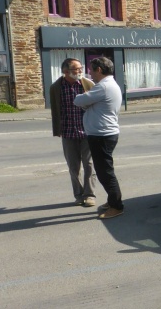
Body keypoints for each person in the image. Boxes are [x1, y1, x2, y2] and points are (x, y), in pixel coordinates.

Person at [74, 57, 125, 219]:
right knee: (104, 171)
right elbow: (86, 103)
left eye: (91, 69)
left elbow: (78, 100)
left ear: (99, 70)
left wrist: (86, 98)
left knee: (105, 173)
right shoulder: (107, 85)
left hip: (102, 135)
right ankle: (112, 201)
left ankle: (117, 206)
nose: (89, 73)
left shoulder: (103, 87)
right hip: (103, 134)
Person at [49, 58, 97, 207]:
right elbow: (56, 111)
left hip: (87, 132)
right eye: (77, 69)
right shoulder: (56, 87)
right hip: (68, 132)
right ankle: (78, 194)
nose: (80, 71)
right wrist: (57, 129)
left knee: (89, 164)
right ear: (66, 71)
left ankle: (89, 195)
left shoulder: (88, 84)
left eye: (80, 68)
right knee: (73, 167)